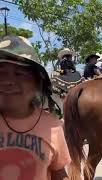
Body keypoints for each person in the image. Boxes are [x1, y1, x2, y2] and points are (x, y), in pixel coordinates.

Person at [0, 36, 71, 179]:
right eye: (0, 72)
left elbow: (59, 173)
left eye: (20, 73)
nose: (7, 81)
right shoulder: (66, 63)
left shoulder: (52, 126)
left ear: (37, 83)